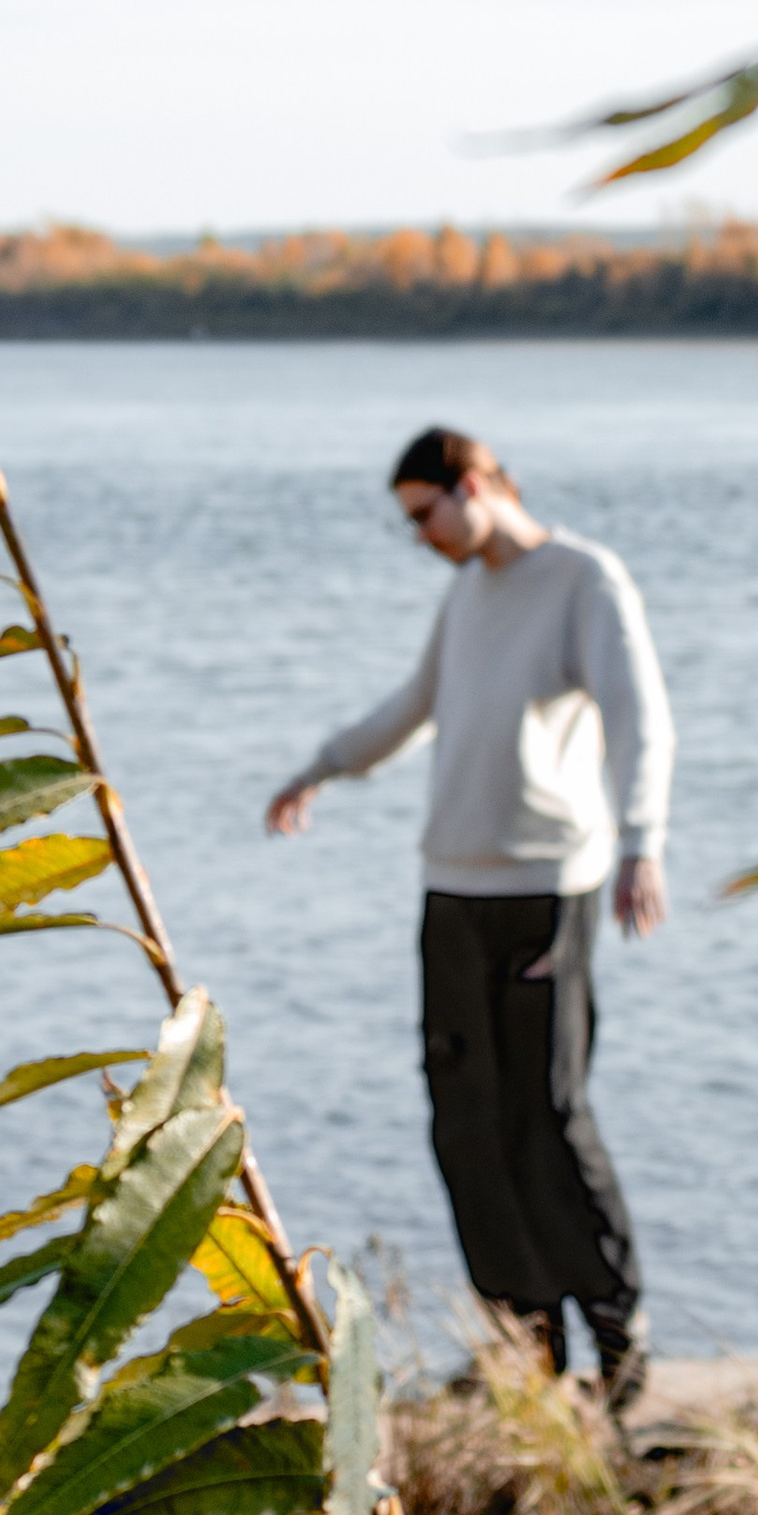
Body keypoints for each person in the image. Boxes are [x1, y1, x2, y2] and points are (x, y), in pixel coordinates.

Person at [265, 426, 673, 1409]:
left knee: (549, 1117)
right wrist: (321, 765)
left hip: (546, 891)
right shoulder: (468, 594)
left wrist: (640, 839)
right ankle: (521, 1348)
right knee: (466, 1127)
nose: (420, 537)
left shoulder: (584, 579)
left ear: (477, 483)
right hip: (451, 893)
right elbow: (415, 706)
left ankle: (619, 1344)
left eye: (425, 513)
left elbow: (638, 715)